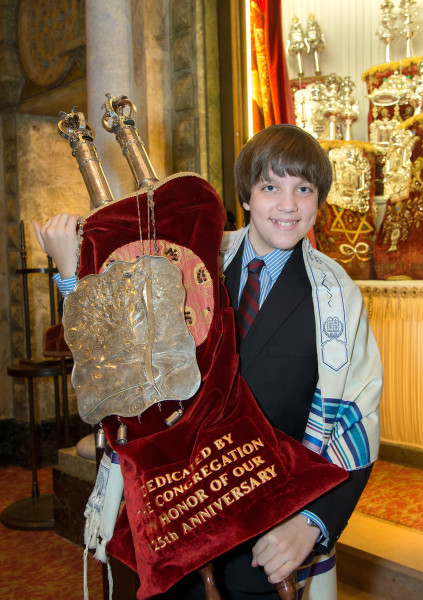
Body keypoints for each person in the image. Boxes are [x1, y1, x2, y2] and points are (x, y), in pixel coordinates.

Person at [34, 124, 382, 600]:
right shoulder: (190, 254)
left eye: (303, 189)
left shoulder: (336, 299)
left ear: (318, 200)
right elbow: (112, 354)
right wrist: (71, 272)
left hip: (269, 536)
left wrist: (311, 522)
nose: (287, 204)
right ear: (245, 195)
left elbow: (355, 421)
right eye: (270, 186)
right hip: (177, 517)